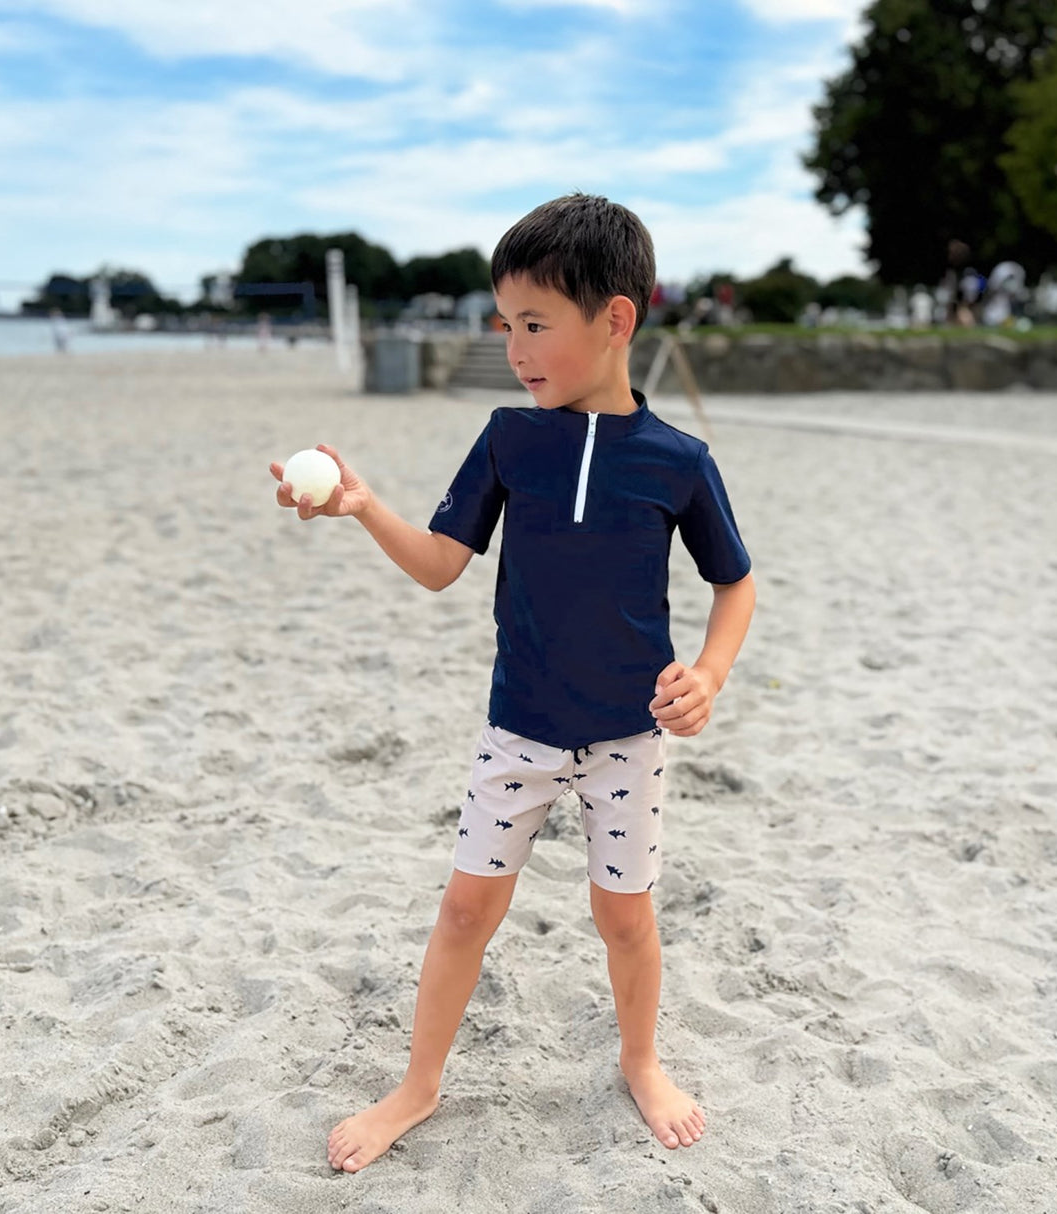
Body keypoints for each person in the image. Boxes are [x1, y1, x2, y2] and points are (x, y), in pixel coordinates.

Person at [270, 193, 756, 1173]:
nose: (515, 348)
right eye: (504, 325)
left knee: (625, 917)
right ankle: (418, 1083)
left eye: (534, 324)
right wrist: (364, 507)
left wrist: (707, 674)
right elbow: (440, 564)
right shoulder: (506, 438)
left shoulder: (678, 461)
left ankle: (640, 1060)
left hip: (627, 740)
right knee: (463, 912)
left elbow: (734, 582)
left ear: (614, 319)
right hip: (518, 732)